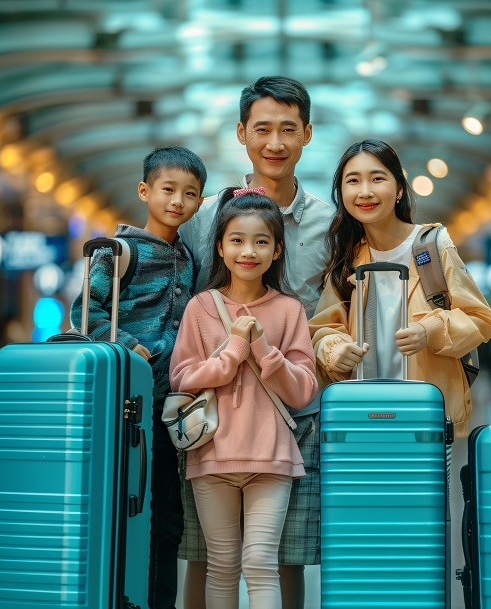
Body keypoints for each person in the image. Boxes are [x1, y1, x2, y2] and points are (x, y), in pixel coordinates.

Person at [308, 139, 491, 601]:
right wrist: (334, 351)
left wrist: (432, 330)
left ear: (398, 188)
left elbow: (481, 319)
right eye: (352, 181)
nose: (365, 190)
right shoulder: (346, 258)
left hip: (428, 424)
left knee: (431, 534)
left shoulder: (430, 246)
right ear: (341, 193)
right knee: (372, 537)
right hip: (363, 422)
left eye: (377, 178)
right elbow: (322, 329)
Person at [178, 75, 334, 609]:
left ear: (307, 134)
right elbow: (191, 297)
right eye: (262, 128)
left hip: (294, 408)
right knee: (209, 555)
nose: (275, 142)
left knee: (280, 556)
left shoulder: (328, 222)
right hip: (215, 418)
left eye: (288, 129)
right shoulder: (208, 217)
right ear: (241, 132)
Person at [70, 146, 206, 609]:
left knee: (166, 520)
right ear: (145, 191)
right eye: (168, 190)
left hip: (167, 411)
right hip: (123, 407)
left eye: (190, 194)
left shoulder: (189, 259)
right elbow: (83, 314)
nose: (178, 201)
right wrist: (131, 348)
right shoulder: (118, 251)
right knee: (120, 512)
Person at [170, 190, 319, 609]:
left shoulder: (290, 310)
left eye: (260, 241)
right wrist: (234, 352)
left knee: (259, 563)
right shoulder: (200, 307)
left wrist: (266, 351)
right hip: (211, 456)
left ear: (277, 250)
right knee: (220, 565)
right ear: (219, 246)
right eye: (236, 240)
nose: (248, 251)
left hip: (270, 458)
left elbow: (303, 389)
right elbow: (182, 379)